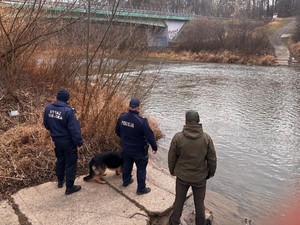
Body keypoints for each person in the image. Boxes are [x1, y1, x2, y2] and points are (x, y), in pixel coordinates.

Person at [168, 110, 217, 225]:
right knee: (199, 203)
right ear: (198, 122)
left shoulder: (178, 137)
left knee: (179, 200)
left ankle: (174, 221)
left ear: (186, 121)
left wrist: (172, 170)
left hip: (182, 176)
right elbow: (212, 159)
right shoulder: (206, 138)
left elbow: (171, 157)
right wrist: (211, 172)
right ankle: (200, 223)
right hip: (200, 178)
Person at [43, 88, 83, 195]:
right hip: (68, 142)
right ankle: (70, 187)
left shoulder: (48, 108)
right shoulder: (69, 111)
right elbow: (74, 130)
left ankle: (60, 181)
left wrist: (55, 131)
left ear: (57, 97)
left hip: (56, 140)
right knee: (70, 163)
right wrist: (79, 142)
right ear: (67, 99)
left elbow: (46, 124)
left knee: (60, 159)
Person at [115, 98, 158, 195]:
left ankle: (126, 181)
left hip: (126, 147)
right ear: (138, 108)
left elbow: (117, 131)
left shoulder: (122, 117)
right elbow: (150, 136)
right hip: (139, 150)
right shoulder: (142, 121)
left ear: (129, 106)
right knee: (141, 168)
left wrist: (125, 139)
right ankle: (141, 189)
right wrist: (154, 147)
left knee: (127, 164)